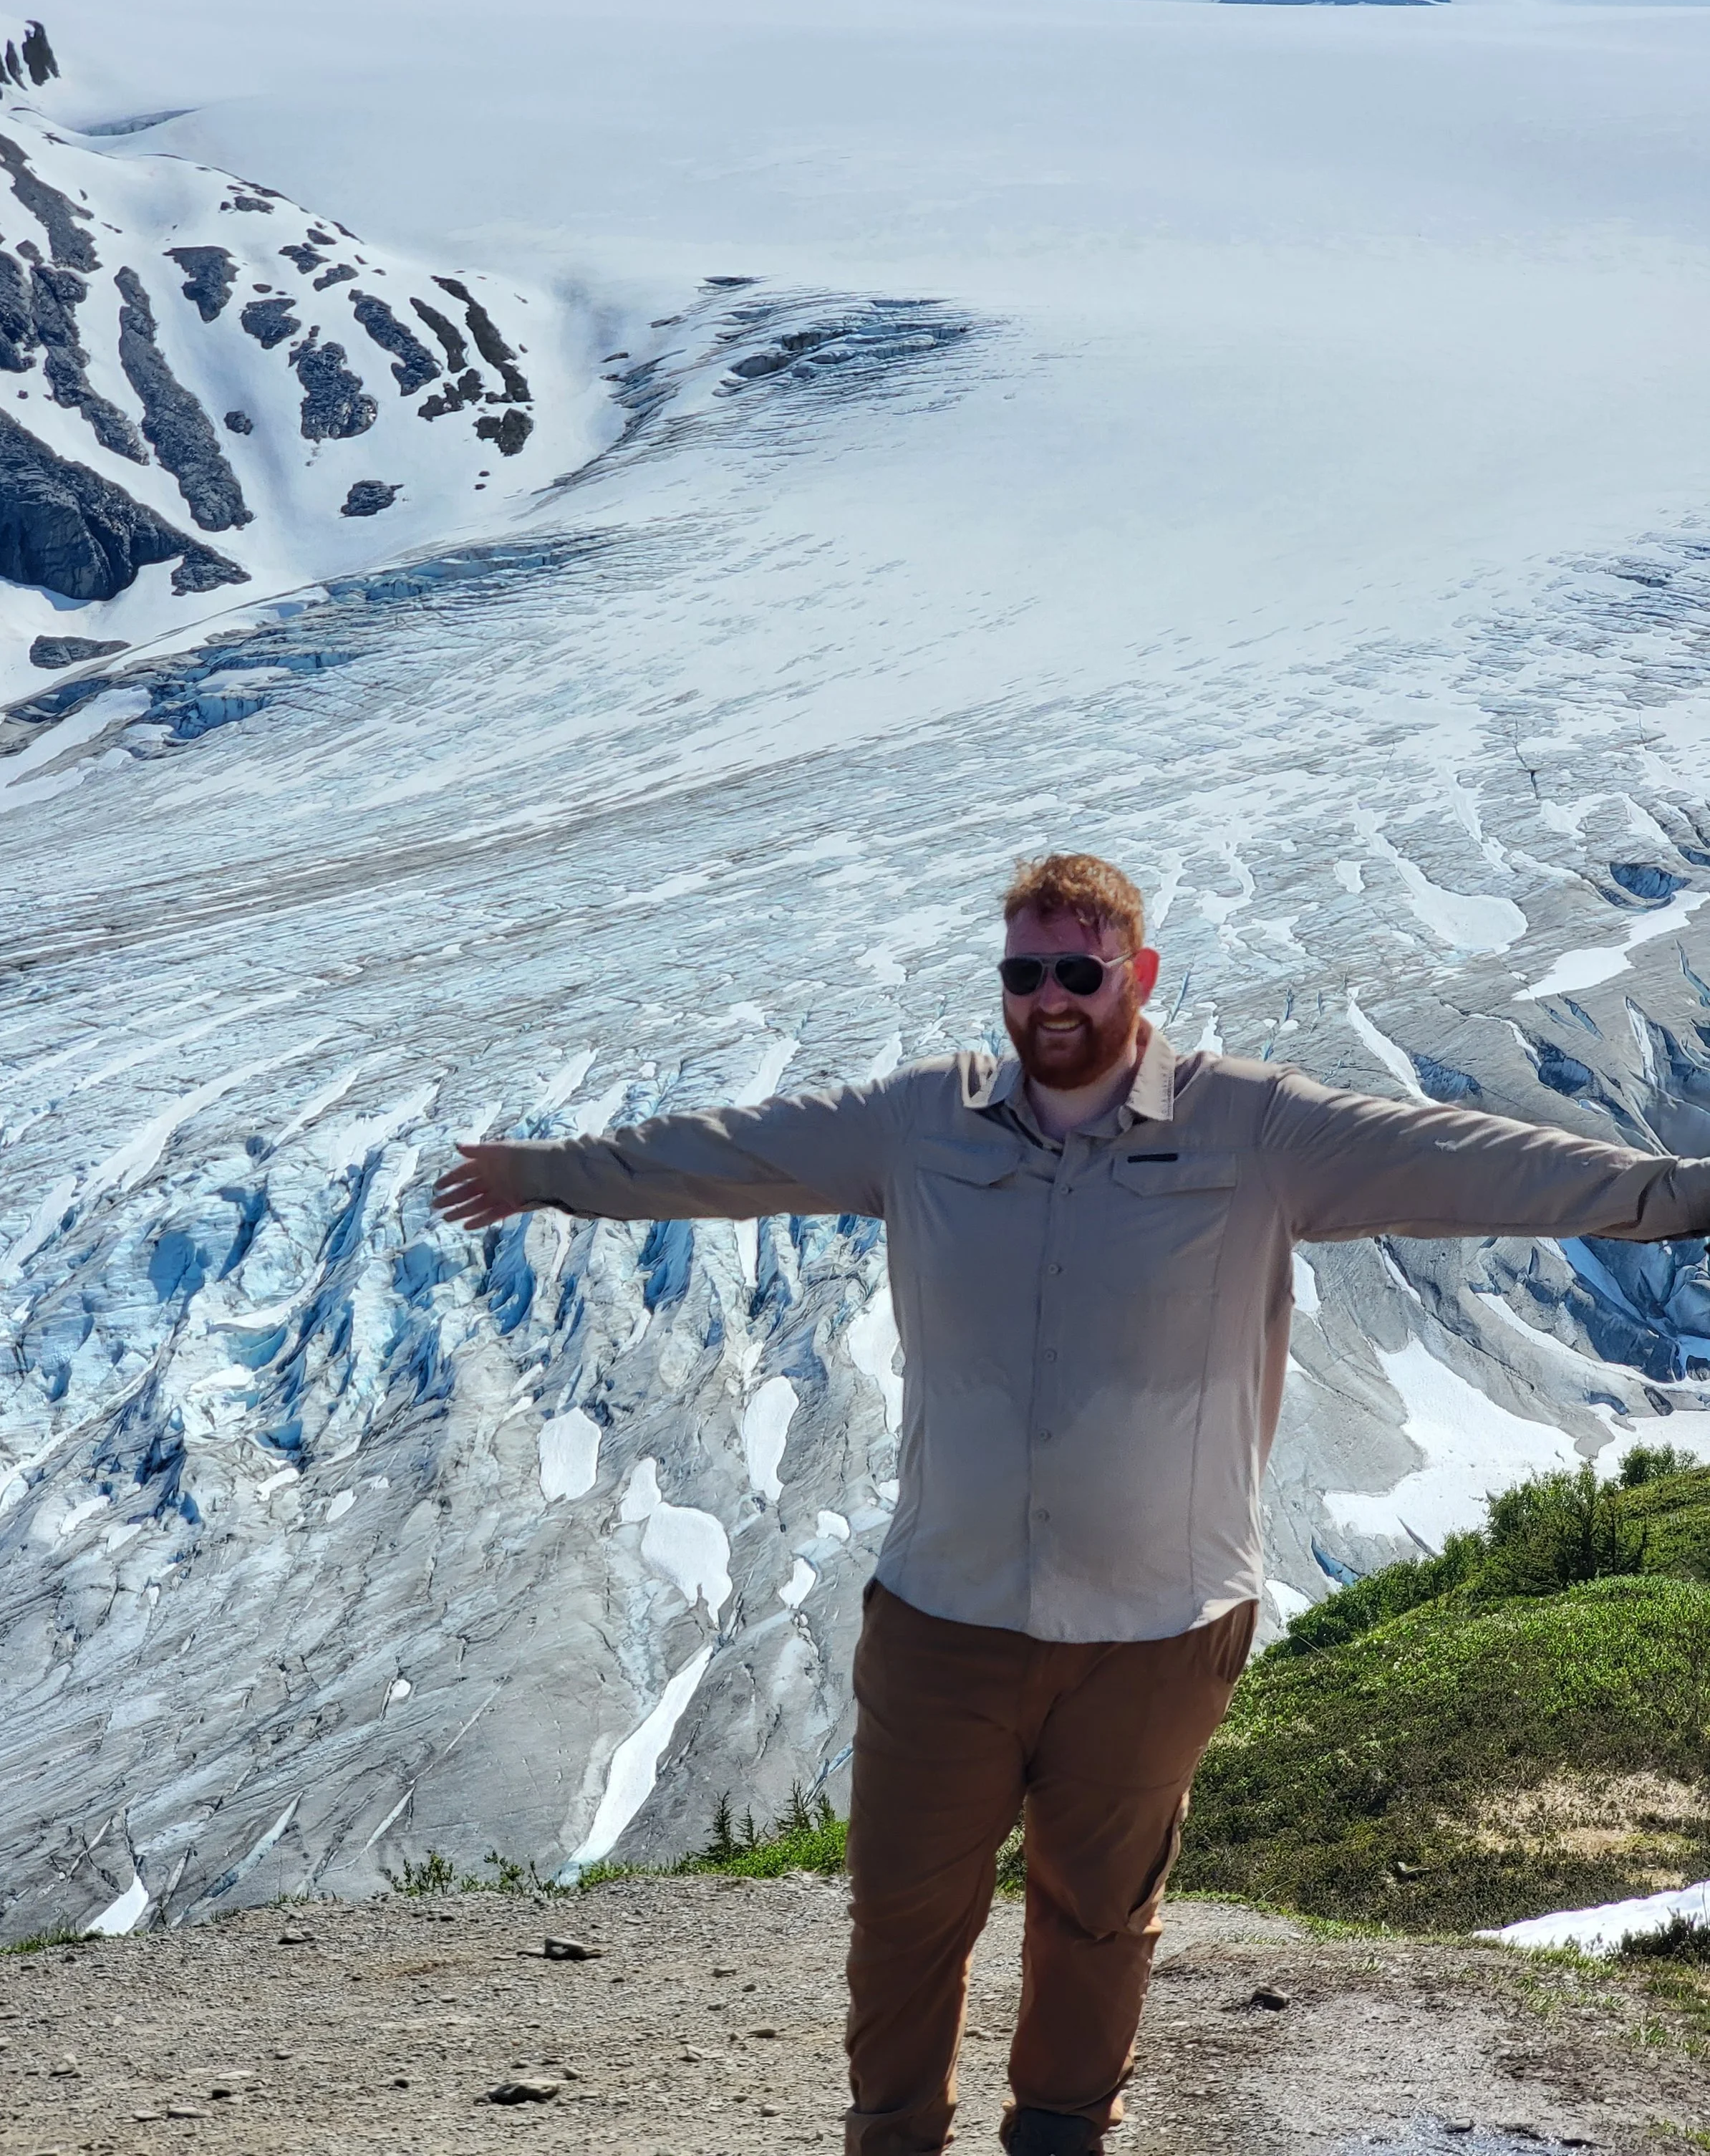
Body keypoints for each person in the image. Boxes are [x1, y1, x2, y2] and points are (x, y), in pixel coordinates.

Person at [435, 851, 1710, 2156]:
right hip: (948, 1613)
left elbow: (1474, 1163)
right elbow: (729, 1157)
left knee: (1099, 1917)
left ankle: (1058, 2138)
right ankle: (894, 2140)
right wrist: (551, 1173)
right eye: (1023, 972)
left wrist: (1684, 1198)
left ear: (1137, 976)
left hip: (1158, 1630)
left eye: (1077, 972)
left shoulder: (1256, 1128)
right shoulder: (919, 1119)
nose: (1049, 999)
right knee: (902, 1912)